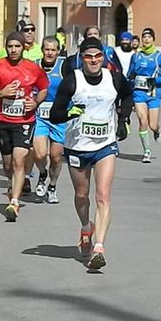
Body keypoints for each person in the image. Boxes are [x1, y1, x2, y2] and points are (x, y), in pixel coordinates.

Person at [50, 37, 133, 270]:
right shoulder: (71, 82)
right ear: (82, 58)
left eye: (98, 56)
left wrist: (123, 119)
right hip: (77, 146)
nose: (94, 60)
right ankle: (86, 227)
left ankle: (99, 247)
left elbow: (128, 96)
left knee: (103, 196)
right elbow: (55, 114)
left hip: (105, 145)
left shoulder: (114, 79)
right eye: (89, 56)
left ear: (103, 58)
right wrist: (69, 113)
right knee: (81, 194)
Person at [0, 31, 49, 221]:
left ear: (23, 48)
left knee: (19, 160)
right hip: (3, 120)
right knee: (8, 165)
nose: (13, 50)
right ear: (6, 48)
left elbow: (44, 87)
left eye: (17, 46)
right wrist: (0, 93)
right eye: (10, 46)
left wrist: (35, 103)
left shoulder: (32, 69)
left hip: (25, 121)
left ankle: (15, 202)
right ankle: (13, 185)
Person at [127, 27, 161, 163]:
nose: (146, 39)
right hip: (139, 92)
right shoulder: (136, 56)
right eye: (144, 37)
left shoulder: (160, 58)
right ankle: (146, 151)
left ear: (153, 39)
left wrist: (156, 80)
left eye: (149, 37)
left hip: (153, 93)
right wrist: (132, 76)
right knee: (142, 120)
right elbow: (129, 73)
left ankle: (157, 131)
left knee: (152, 125)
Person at [33, 36, 66, 203]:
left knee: (56, 157)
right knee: (39, 154)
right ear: (42, 50)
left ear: (58, 51)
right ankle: (42, 173)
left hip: (59, 116)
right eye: (47, 49)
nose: (50, 53)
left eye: (53, 50)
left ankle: (52, 186)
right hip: (39, 116)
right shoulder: (34, 66)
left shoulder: (63, 66)